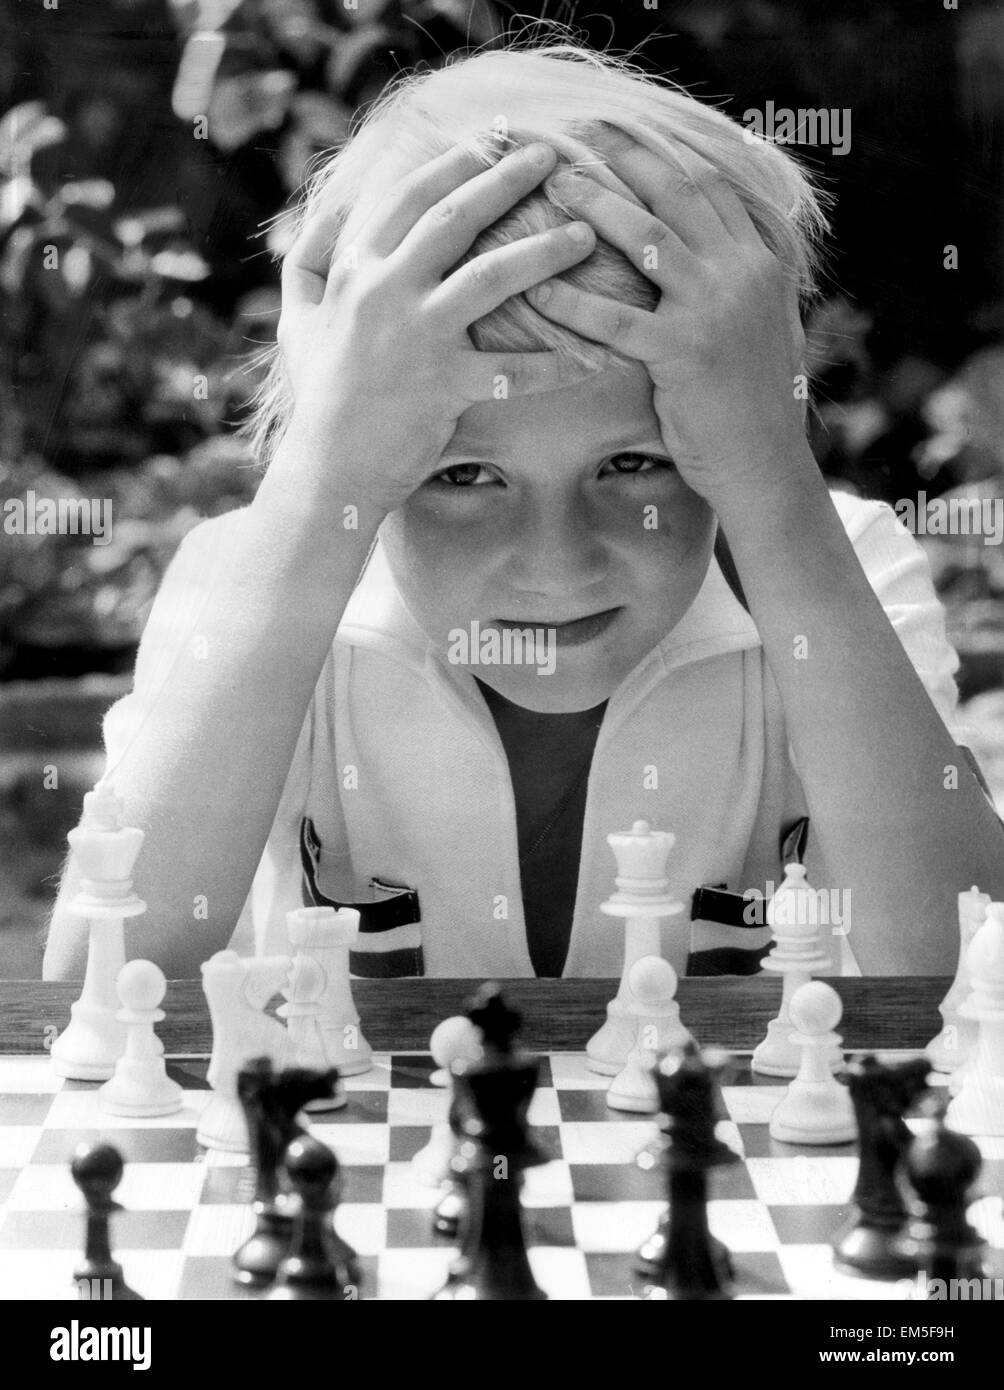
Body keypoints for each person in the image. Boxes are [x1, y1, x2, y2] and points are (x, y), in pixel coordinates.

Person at [43, 42, 1004, 983]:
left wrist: (774, 487)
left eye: (635, 464)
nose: (557, 566)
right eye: (464, 477)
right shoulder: (251, 578)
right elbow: (94, 982)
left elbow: (974, 973)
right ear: (364, 457)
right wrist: (321, 485)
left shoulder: (841, 564)